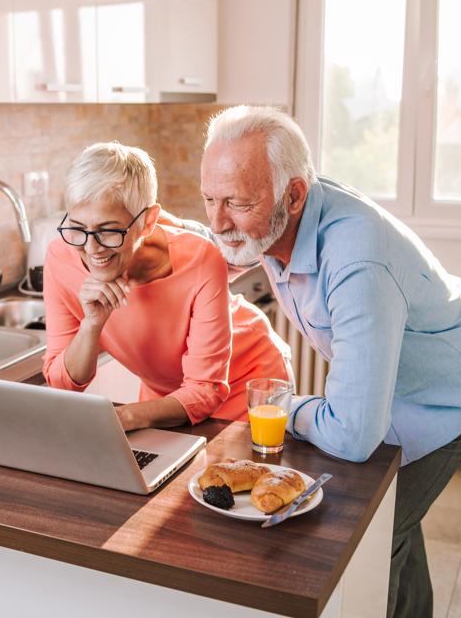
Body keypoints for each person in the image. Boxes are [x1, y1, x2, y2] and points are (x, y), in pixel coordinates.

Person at [178, 105, 461, 617]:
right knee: (396, 517)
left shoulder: (357, 260)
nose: (219, 221)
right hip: (390, 377)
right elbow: (210, 238)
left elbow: (354, 436)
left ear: (294, 195)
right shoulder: (272, 216)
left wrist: (290, 406)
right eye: (209, 199)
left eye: (237, 203)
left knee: (379, 531)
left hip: (450, 385)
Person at [42, 141, 292, 431]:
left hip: (247, 384)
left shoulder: (200, 258)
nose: (91, 247)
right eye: (78, 227)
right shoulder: (61, 258)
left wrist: (125, 417)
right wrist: (92, 324)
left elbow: (204, 389)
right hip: (166, 400)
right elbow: (61, 383)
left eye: (108, 231)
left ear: (147, 222)